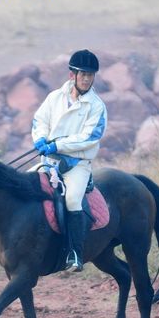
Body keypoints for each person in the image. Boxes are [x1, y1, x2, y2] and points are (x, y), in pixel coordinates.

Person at [31, 49, 108, 272]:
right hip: (50, 160)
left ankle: (75, 253)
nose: (87, 78)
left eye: (90, 75)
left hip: (77, 164)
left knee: (73, 199)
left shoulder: (97, 106)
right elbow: (40, 121)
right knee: (25, 183)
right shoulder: (54, 97)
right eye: (83, 74)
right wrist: (41, 139)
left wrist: (58, 145)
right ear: (71, 75)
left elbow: (88, 138)